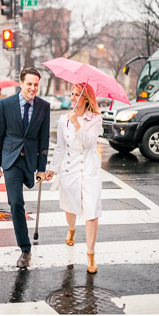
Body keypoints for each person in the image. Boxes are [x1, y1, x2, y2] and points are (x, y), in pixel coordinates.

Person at [0, 67, 50, 269]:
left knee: (22, 197)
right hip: (11, 160)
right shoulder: (6, 104)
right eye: (29, 84)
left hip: (30, 161)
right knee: (16, 203)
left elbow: (44, 139)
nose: (33, 88)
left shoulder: (44, 106)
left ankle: (25, 248)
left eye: (36, 84)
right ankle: (25, 250)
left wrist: (41, 168)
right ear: (21, 83)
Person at [44, 83, 103, 274]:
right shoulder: (63, 120)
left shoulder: (95, 119)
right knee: (69, 206)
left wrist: (77, 123)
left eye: (77, 94)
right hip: (69, 169)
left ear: (86, 99)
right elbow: (60, 147)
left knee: (91, 210)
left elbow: (88, 142)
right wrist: (52, 168)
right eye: (72, 94)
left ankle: (90, 254)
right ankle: (71, 229)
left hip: (89, 170)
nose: (73, 97)